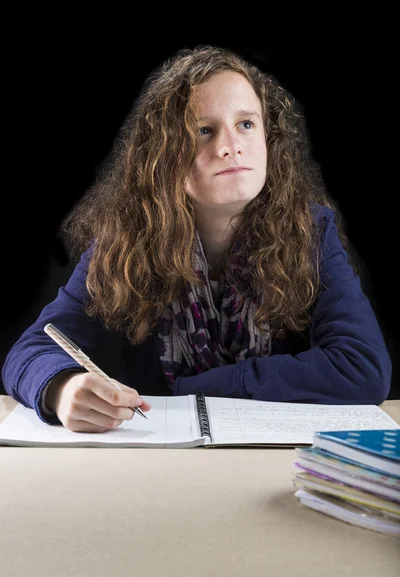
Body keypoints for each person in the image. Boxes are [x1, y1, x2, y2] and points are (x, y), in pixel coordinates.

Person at [2, 45, 392, 433]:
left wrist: (203, 388)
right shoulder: (126, 238)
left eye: (246, 124)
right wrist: (61, 388)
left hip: (273, 462)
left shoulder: (310, 231)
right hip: (160, 466)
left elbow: (363, 368)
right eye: (204, 130)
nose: (230, 146)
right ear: (164, 154)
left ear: (269, 135)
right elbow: (30, 352)